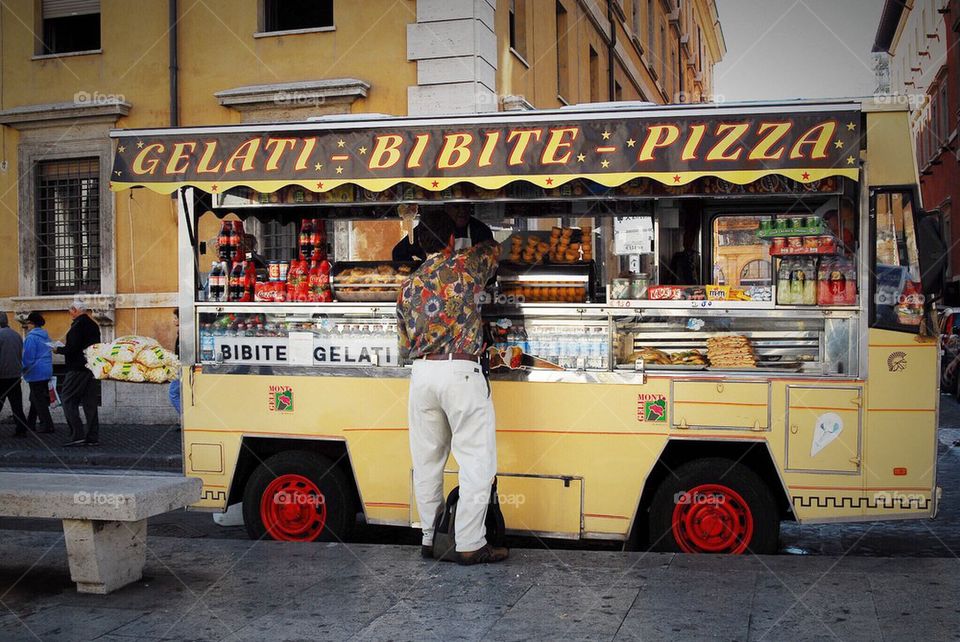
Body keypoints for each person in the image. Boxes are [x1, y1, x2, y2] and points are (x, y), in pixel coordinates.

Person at [397, 208, 508, 565]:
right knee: (476, 460)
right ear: (450, 239)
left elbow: (403, 345)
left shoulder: (408, 286)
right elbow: (494, 248)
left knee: (427, 462)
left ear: (419, 243)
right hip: (461, 371)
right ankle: (470, 542)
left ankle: (430, 536)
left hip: (422, 374)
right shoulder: (466, 265)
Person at [56, 299, 101, 447]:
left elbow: (73, 348)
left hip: (77, 368)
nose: (70, 313)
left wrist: (58, 349)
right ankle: (92, 436)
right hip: (91, 367)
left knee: (67, 399)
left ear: (75, 310)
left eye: (70, 310)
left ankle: (77, 435)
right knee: (90, 403)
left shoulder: (77, 326)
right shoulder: (93, 324)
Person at [392, 203, 494, 262]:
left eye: (466, 206)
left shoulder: (480, 230)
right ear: (447, 207)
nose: (462, 211)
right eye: (456, 206)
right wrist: (417, 268)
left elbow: (491, 259)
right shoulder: (431, 227)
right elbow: (399, 253)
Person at [22, 312, 55, 434]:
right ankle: (30, 423)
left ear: (32, 323)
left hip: (36, 371)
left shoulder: (31, 338)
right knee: (35, 398)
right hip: (46, 370)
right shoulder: (46, 336)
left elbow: (28, 357)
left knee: (38, 399)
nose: (27, 326)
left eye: (28, 323)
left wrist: (23, 368)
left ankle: (47, 425)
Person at [0, 312, 29, 436]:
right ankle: (21, 429)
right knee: (16, 405)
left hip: (2, 375)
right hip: (15, 374)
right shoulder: (16, 335)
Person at [168, 309, 181, 416]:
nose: (174, 320)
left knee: (173, 393)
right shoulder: (180, 333)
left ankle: (187, 417)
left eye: (176, 318)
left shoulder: (183, 335)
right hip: (181, 366)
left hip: (182, 368)